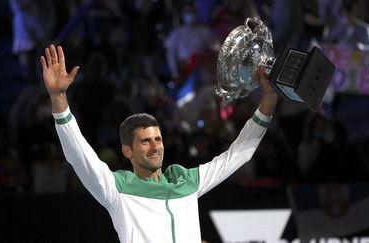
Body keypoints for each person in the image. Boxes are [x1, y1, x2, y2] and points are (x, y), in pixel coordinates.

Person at [40, 44, 278, 242]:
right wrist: (58, 98)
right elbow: (78, 155)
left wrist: (268, 100)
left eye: (157, 139)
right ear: (127, 150)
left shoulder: (187, 182)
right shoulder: (117, 189)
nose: (155, 146)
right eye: (145, 142)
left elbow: (239, 154)